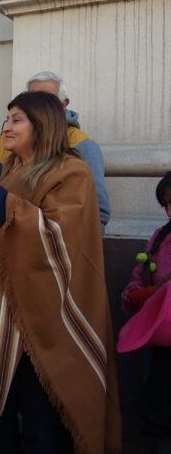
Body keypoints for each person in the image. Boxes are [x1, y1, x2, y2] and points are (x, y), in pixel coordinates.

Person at [0, 91, 121, 453]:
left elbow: (58, 238)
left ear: (43, 125)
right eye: (6, 119)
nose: (6, 127)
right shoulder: (9, 172)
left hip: (46, 326)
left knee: (44, 430)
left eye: (16, 119)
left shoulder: (71, 171)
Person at [0, 70, 110, 227]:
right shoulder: (5, 143)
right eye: (32, 99)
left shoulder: (81, 150)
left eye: (47, 101)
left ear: (63, 104)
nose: (37, 106)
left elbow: (94, 215)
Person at [121, 172, 171, 451]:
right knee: (159, 412)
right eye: (166, 204)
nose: (169, 210)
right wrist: (139, 295)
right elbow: (139, 279)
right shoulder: (158, 237)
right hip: (161, 338)